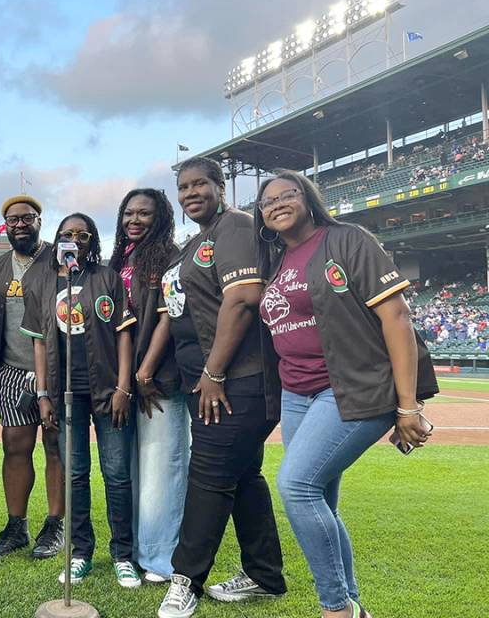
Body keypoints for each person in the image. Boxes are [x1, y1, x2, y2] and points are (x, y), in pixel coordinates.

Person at [255, 171, 438, 618]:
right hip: (297, 393)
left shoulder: (347, 239)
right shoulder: (278, 260)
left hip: (352, 387)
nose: (277, 203)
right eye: (267, 202)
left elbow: (396, 317)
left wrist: (408, 405)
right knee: (321, 504)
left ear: (308, 197)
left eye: (287, 194)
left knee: (296, 487)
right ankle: (354, 605)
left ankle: (336, 608)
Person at [157, 158, 287, 618]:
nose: (191, 192)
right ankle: (265, 574)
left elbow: (244, 299)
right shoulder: (198, 240)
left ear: (220, 185)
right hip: (211, 381)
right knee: (243, 477)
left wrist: (213, 374)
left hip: (236, 380)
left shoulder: (233, 226)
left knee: (209, 476)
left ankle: (185, 581)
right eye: (183, 187)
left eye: (200, 184)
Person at [21, 213, 140, 588]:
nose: (76, 239)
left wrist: (123, 388)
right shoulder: (41, 281)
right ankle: (81, 553)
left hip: (107, 391)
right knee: (74, 475)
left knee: (117, 475)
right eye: (68, 234)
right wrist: (43, 395)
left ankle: (123, 554)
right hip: (63, 394)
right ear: (58, 240)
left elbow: (124, 336)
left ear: (92, 241)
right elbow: (39, 343)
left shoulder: (106, 277)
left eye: (83, 234)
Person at [108, 188, 190, 584]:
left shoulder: (171, 256)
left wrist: (144, 373)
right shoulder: (122, 257)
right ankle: (141, 549)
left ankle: (161, 558)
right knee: (136, 469)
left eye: (144, 214)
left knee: (163, 469)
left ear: (161, 218)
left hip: (159, 381)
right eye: (128, 214)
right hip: (127, 381)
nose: (134, 220)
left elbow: (170, 319)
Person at [0, 195, 64, 559]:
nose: (19, 224)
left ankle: (55, 525)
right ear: (5, 225)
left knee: (55, 446)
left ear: (39, 221)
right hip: (12, 369)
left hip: (55, 369)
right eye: (12, 219)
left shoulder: (56, 260)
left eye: (26, 218)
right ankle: (16, 526)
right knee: (15, 446)